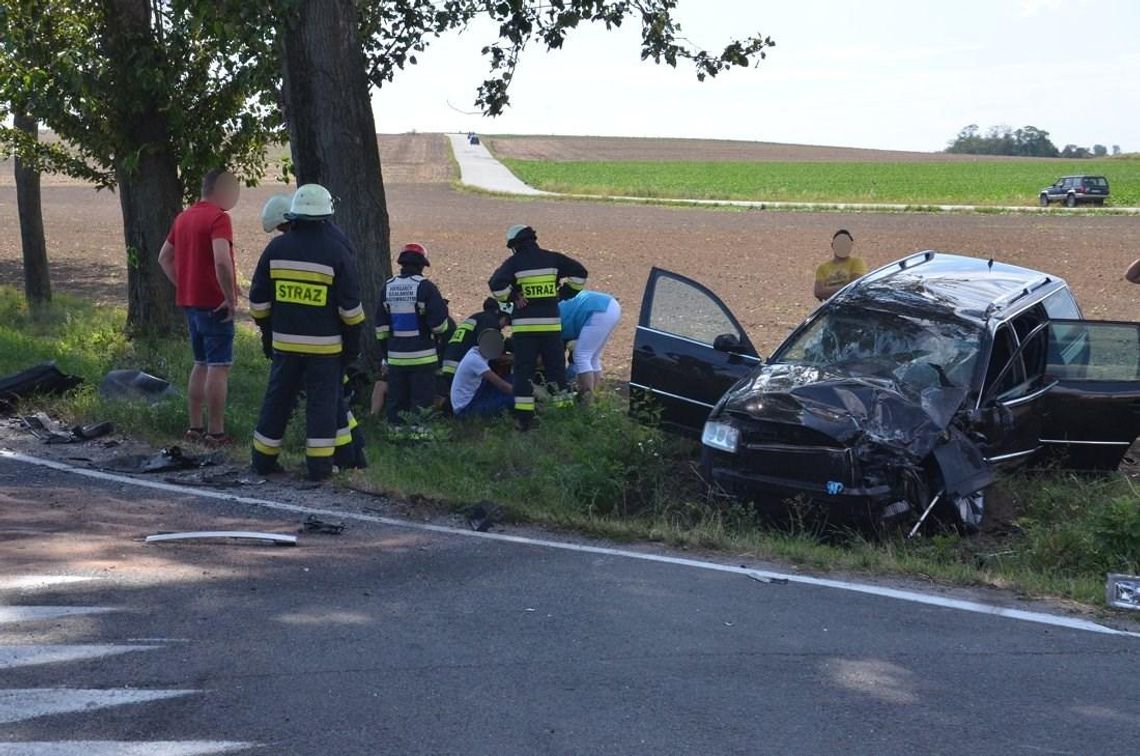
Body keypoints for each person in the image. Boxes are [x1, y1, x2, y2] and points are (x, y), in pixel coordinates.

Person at [248, 184, 366, 481]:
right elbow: (351, 312)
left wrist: (268, 335)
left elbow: (258, 304)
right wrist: (350, 350)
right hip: (325, 351)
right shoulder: (337, 251)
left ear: (294, 214)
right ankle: (319, 468)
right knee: (322, 406)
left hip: (285, 346)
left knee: (277, 400)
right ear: (326, 214)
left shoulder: (276, 248)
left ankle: (262, 460)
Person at [158, 168, 241, 447]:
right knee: (219, 367)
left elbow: (164, 258)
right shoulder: (219, 218)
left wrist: (183, 284)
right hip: (214, 304)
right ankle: (216, 432)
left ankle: (194, 427)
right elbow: (221, 260)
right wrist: (229, 297)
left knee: (201, 363)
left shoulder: (184, 217)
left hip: (190, 303)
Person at [488, 224, 588, 430]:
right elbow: (580, 274)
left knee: (524, 372)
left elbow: (496, 285)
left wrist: (513, 296)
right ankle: (563, 416)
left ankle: (524, 421)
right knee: (556, 370)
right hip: (551, 328)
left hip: (525, 330)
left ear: (515, 245)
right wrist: (563, 293)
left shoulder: (514, 262)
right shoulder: (553, 259)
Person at [374, 243, 450, 425]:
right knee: (421, 403)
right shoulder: (426, 287)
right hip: (423, 359)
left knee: (396, 402)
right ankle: (419, 440)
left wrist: (387, 355)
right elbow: (440, 326)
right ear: (422, 265)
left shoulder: (388, 287)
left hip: (396, 358)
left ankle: (395, 437)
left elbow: (381, 329)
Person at [559, 288, 621, 399]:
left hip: (599, 309)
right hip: (609, 306)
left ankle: (586, 398)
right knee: (593, 357)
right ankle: (594, 398)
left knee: (581, 355)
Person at [441, 298, 512, 380]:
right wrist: (512, 357)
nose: (504, 326)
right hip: (461, 368)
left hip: (451, 366)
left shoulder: (479, 317)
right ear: (501, 315)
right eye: (507, 322)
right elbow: (490, 351)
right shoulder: (490, 320)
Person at [450, 330, 515, 418]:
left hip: (474, 397)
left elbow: (498, 358)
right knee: (514, 399)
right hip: (466, 409)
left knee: (511, 379)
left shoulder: (475, 351)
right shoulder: (475, 361)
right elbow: (502, 386)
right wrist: (526, 392)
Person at [813, 229, 867, 301]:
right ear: (832, 245)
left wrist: (827, 290)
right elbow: (818, 292)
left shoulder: (857, 262)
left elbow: (854, 286)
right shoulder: (822, 268)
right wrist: (845, 287)